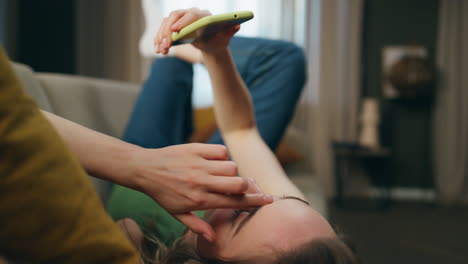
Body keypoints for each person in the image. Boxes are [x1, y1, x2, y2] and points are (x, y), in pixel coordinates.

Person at [113, 8, 359, 264]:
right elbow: (241, 132)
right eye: (278, 197)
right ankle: (177, 46)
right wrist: (215, 52)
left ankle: (165, 46)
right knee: (286, 57)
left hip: (138, 156)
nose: (247, 184)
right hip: (197, 165)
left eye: (240, 215)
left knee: (171, 66)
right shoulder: (292, 227)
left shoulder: (132, 239)